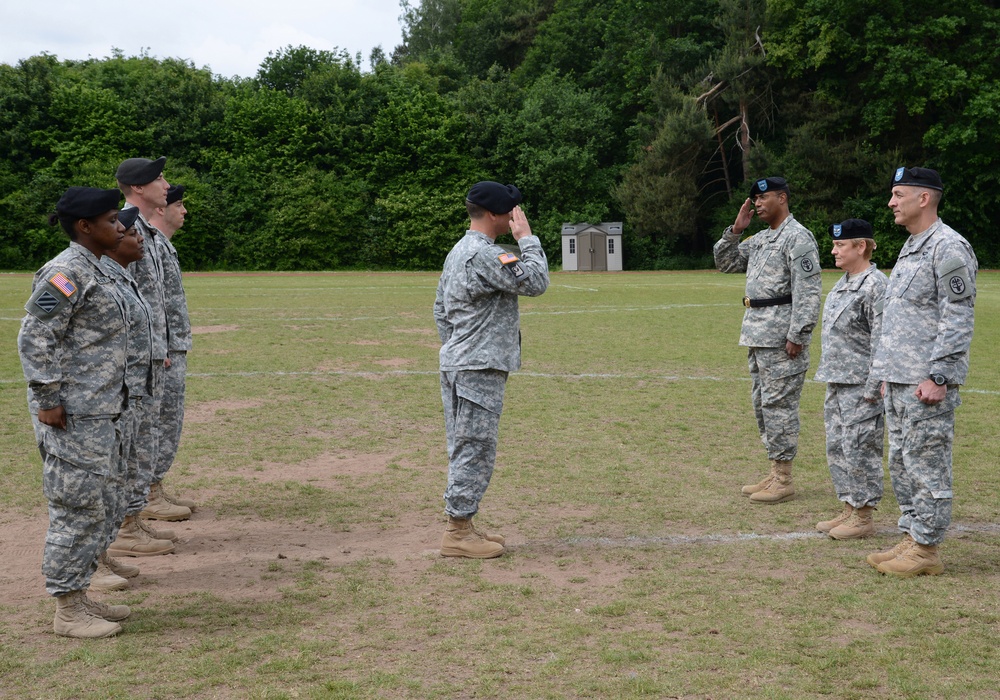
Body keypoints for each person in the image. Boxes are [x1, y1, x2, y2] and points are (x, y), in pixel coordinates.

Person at [18, 187, 132, 638]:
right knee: (75, 509)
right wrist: (48, 400)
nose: (120, 226)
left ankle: (81, 595)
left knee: (98, 506)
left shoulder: (97, 269)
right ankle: (67, 610)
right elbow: (35, 337)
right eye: (110, 220)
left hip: (100, 410)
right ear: (84, 227)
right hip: (74, 415)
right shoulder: (66, 272)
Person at [867, 167, 977, 577]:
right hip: (899, 379)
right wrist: (884, 373)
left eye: (898, 194)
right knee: (902, 461)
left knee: (927, 462)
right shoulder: (913, 247)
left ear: (923, 198)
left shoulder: (948, 247)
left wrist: (941, 375)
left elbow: (958, 316)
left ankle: (926, 549)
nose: (892, 202)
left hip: (925, 381)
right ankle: (913, 535)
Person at [433, 182, 549, 558]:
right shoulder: (483, 255)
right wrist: (527, 239)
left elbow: (440, 310)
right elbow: (535, 281)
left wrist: (457, 345)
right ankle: (458, 532)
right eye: (513, 211)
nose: (517, 216)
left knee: (466, 444)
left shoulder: (459, 251)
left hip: (463, 361)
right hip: (476, 366)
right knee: (475, 448)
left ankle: (464, 524)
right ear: (497, 215)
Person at [714, 177, 822, 503]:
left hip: (781, 338)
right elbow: (725, 262)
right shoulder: (762, 239)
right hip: (758, 333)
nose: (758, 204)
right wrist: (735, 231)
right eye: (755, 199)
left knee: (780, 407)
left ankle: (784, 479)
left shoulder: (798, 238)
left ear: (783, 198)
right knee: (764, 406)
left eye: (763, 198)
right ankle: (775, 470)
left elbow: (809, 290)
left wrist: (798, 334)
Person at [108, 157, 188, 564]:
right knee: (134, 443)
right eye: (159, 178)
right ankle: (125, 526)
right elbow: (123, 301)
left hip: (157, 355)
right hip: (139, 360)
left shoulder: (147, 235)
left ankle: (135, 514)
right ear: (138, 188)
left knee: (150, 438)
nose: (166, 184)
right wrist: (148, 351)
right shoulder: (121, 230)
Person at [94, 207, 170, 588]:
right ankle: (88, 570)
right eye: (120, 228)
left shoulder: (117, 275)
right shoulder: (75, 275)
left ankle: (104, 552)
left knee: (116, 478)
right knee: (94, 488)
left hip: (122, 395)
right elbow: (38, 340)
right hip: (93, 403)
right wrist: (49, 399)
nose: (136, 235)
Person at [813, 219, 888, 539]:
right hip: (838, 379)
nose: (833, 250)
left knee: (860, 448)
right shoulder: (845, 281)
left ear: (861, 247)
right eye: (833, 245)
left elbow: (883, 339)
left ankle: (863, 515)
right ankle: (849, 505)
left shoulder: (875, 285)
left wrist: (874, 387)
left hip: (861, 385)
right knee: (839, 446)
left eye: (840, 245)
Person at [147, 184, 195, 513]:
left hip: (171, 348)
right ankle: (146, 494)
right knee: (157, 421)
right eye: (179, 204)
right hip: (161, 351)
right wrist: (158, 343)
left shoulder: (160, 245)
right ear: (162, 209)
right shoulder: (147, 243)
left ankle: (153, 486)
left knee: (168, 420)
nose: (184, 210)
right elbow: (149, 302)